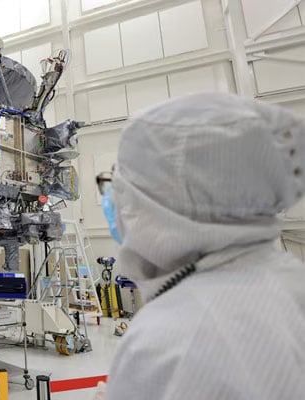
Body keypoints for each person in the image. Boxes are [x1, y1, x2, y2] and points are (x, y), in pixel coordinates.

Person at [96, 92, 305, 399]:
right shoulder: (289, 279)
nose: (112, 198)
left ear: (157, 201)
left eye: (119, 184)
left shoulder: (171, 340)